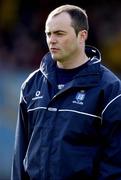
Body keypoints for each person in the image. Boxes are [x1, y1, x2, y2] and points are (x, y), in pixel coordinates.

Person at [11, 4, 121, 180]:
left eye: (59, 34)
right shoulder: (31, 84)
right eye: (48, 34)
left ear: (82, 35)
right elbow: (20, 156)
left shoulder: (110, 89)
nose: (51, 40)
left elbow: (115, 164)